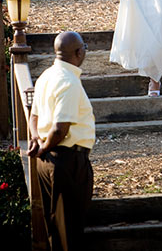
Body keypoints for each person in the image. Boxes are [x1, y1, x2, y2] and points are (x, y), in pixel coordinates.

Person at [27, 31, 95, 251]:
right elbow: (60, 129)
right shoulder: (68, 82)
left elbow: (33, 116)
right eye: (84, 47)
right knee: (69, 231)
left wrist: (37, 138)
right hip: (66, 161)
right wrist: (44, 146)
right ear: (78, 52)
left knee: (55, 228)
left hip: (48, 160)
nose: (85, 50)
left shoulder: (46, 75)